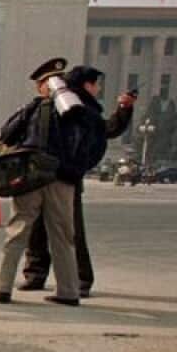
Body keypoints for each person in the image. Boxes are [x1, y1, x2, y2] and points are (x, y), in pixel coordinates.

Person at [0, 57, 107, 307]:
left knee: (18, 232)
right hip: (63, 179)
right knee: (63, 236)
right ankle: (68, 291)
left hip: (32, 177)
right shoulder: (84, 111)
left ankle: (3, 287)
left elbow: (6, 134)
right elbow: (97, 141)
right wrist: (77, 169)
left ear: (41, 86)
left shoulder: (33, 109)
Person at [19, 65, 135, 298]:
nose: (98, 89)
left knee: (62, 230)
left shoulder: (75, 107)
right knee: (51, 230)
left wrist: (124, 109)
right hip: (56, 176)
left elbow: (106, 130)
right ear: (87, 85)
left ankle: (72, 278)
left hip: (55, 175)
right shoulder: (68, 106)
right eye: (96, 84)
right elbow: (108, 129)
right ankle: (49, 275)